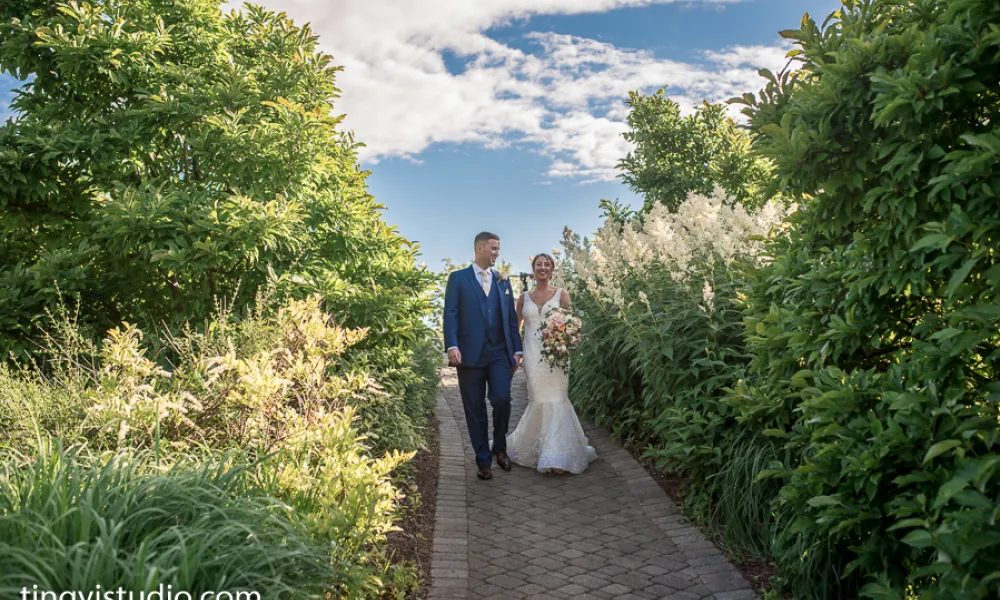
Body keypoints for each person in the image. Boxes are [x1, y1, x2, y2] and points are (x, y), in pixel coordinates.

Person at [443, 232, 524, 480]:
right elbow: (451, 314)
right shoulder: (458, 279)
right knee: (474, 408)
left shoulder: (503, 281)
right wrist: (452, 345)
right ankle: (483, 459)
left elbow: (511, 318)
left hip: (499, 351)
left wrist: (517, 349)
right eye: (493, 248)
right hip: (469, 354)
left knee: (501, 399)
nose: (497, 253)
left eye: (498, 249)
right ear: (480, 248)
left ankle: (500, 449)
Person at [506, 253, 597, 474]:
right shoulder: (523, 298)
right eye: (539, 264)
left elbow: (574, 325)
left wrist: (564, 339)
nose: (543, 268)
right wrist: (515, 353)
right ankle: (540, 449)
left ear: (552, 268)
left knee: (557, 400)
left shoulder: (561, 294)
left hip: (557, 356)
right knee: (537, 399)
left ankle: (557, 455)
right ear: (533, 268)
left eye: (547, 264)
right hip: (531, 354)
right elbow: (514, 328)